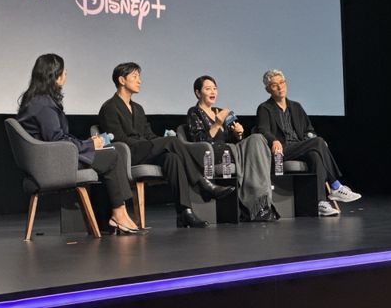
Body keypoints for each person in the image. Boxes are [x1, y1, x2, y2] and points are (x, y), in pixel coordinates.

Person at [17, 54, 145, 235]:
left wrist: (87, 143)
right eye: (64, 73)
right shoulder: (43, 104)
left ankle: (118, 214)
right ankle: (119, 213)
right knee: (112, 155)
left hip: (52, 158)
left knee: (112, 151)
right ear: (54, 75)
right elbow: (58, 140)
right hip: (52, 163)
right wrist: (89, 145)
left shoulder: (37, 100)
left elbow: (58, 138)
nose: (65, 75)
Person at [98, 62, 235, 228]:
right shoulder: (109, 107)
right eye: (135, 77)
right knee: (173, 142)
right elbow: (118, 140)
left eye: (139, 77)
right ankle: (202, 182)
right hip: (127, 154)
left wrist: (158, 141)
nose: (139, 81)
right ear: (121, 80)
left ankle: (185, 213)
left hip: (145, 150)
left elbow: (149, 135)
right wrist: (155, 143)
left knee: (172, 158)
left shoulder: (138, 108)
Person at [256, 69, 361, 216]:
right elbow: (262, 130)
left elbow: (309, 130)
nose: (280, 87)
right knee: (318, 142)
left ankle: (320, 202)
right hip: (281, 150)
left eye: (282, 82)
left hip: (299, 146)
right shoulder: (265, 108)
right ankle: (335, 185)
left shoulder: (296, 107)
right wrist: (274, 140)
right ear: (268, 89)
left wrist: (312, 140)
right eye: (274, 85)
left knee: (315, 154)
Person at [187, 75, 279, 222]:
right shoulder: (194, 112)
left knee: (257, 139)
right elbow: (200, 142)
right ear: (198, 93)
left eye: (215, 88)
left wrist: (238, 134)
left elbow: (232, 139)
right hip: (212, 153)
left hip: (230, 149)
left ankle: (262, 204)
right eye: (208, 89)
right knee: (253, 151)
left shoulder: (219, 111)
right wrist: (217, 124)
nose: (213, 92)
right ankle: (255, 207)